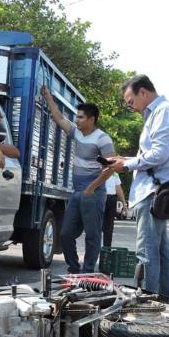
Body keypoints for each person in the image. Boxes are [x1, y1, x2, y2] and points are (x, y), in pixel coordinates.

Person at [109, 75, 169, 298]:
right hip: (156, 189)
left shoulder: (162, 112)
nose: (130, 107)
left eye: (130, 101)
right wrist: (126, 159)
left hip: (152, 191)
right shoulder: (161, 112)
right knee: (160, 252)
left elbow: (159, 154)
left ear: (143, 92)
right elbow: (156, 153)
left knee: (147, 253)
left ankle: (148, 304)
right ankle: (164, 301)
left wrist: (127, 165)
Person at [41, 85, 114, 273]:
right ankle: (74, 268)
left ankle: (87, 271)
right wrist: (48, 96)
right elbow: (58, 118)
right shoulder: (77, 133)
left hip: (94, 192)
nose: (77, 119)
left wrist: (92, 187)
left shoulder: (103, 139)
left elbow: (111, 167)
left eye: (81, 117)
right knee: (65, 233)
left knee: (92, 235)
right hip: (77, 192)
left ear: (92, 119)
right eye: (77, 116)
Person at [102, 172, 127, 248]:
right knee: (98, 225)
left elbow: (118, 188)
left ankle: (107, 249)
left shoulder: (114, 173)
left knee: (109, 227)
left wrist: (124, 203)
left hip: (112, 199)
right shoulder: (98, 169)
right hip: (101, 197)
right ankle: (94, 250)